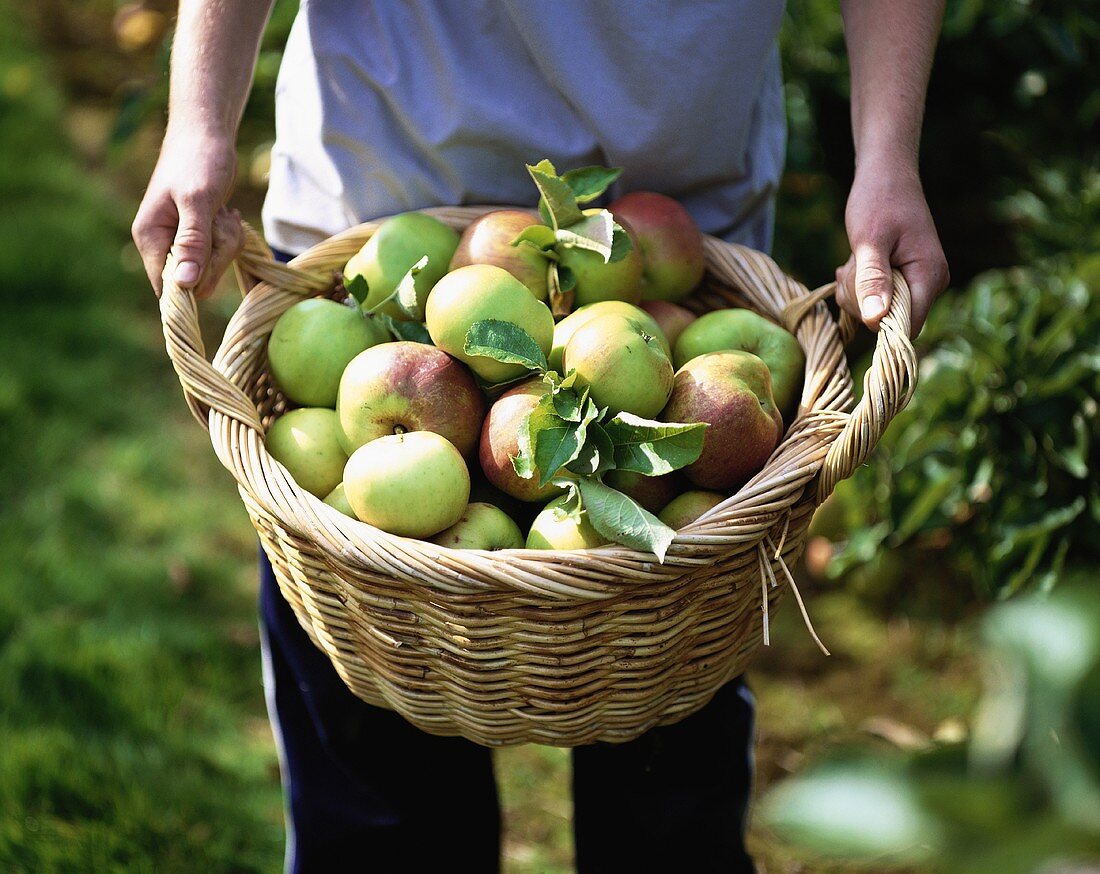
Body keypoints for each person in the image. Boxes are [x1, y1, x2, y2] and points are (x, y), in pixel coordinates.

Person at [133, 2, 950, 871]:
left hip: (679, 250)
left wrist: (891, 153)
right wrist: (199, 120)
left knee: (669, 824)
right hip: (370, 241)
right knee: (379, 826)